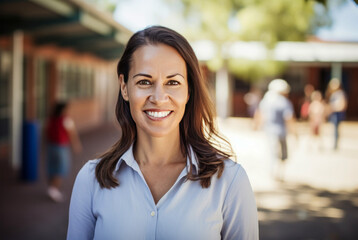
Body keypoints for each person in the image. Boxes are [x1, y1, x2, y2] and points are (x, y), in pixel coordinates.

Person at [67, 26, 258, 239]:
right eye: (144, 82)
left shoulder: (230, 181)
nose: (159, 97)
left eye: (173, 82)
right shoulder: (91, 179)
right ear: (124, 87)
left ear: (189, 91)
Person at [255, 79, 296, 180]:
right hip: (281, 132)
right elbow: (289, 118)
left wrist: (257, 126)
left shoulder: (266, 100)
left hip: (269, 131)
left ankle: (273, 172)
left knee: (272, 153)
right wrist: (295, 132)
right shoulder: (284, 102)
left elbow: (260, 114)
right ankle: (279, 173)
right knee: (282, 154)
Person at [46, 101, 82, 202]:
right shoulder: (66, 119)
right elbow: (72, 134)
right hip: (61, 147)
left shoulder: (51, 119)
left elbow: (46, 131)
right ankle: (54, 190)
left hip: (51, 146)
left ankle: (51, 188)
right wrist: (76, 145)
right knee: (60, 168)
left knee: (52, 167)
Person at [325, 78, 347, 150]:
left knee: (336, 129)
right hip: (334, 113)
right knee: (334, 129)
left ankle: (335, 144)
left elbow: (342, 104)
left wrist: (334, 108)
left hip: (338, 113)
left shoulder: (340, 93)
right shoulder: (333, 94)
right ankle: (335, 144)